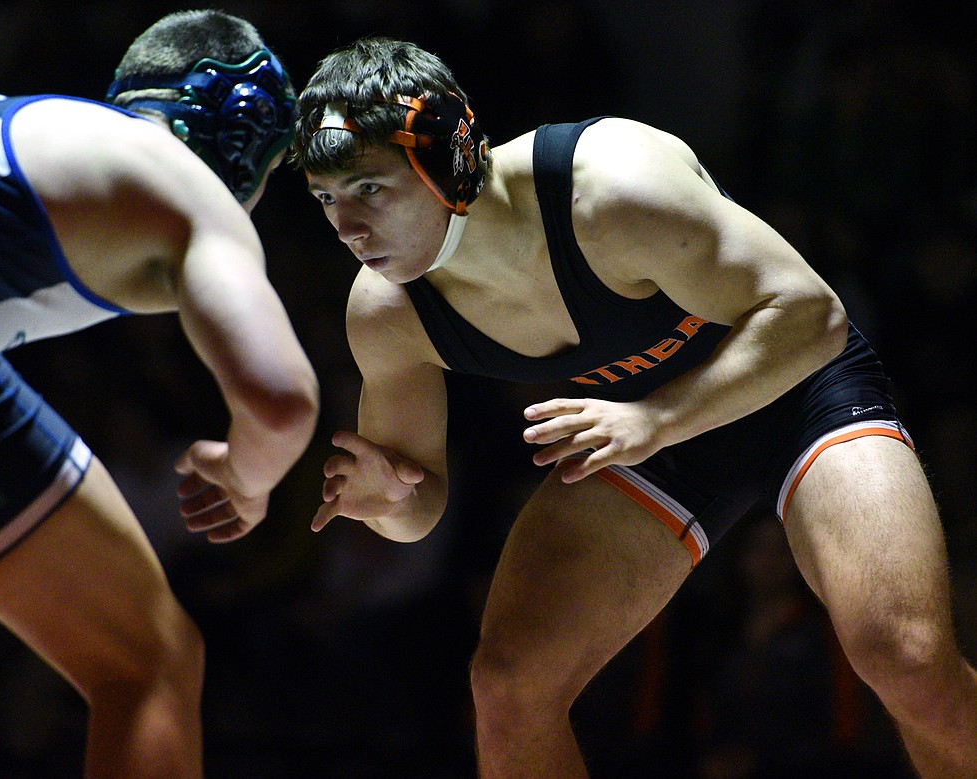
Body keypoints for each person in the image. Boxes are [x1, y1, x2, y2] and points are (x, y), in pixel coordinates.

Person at [288, 37, 977, 778]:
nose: (347, 229)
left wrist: (658, 420)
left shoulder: (611, 187)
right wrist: (390, 499)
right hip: (644, 430)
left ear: (446, 159)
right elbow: (418, 507)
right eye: (326, 198)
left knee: (904, 658)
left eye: (369, 190)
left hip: (793, 385)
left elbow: (811, 315)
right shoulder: (388, 312)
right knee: (510, 684)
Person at [0, 9, 318, 778]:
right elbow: (281, 398)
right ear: (244, 142)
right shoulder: (183, 180)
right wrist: (248, 475)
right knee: (149, 656)